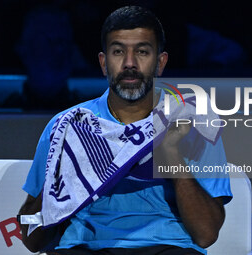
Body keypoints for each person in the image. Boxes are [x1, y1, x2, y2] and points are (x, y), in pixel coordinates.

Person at [18, 6, 232, 255]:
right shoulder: (67, 125)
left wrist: (172, 153)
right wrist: (62, 172)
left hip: (168, 248)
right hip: (83, 248)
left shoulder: (193, 123)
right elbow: (31, 239)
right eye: (118, 51)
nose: (130, 63)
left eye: (142, 52)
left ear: (160, 63)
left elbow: (206, 234)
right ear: (104, 63)